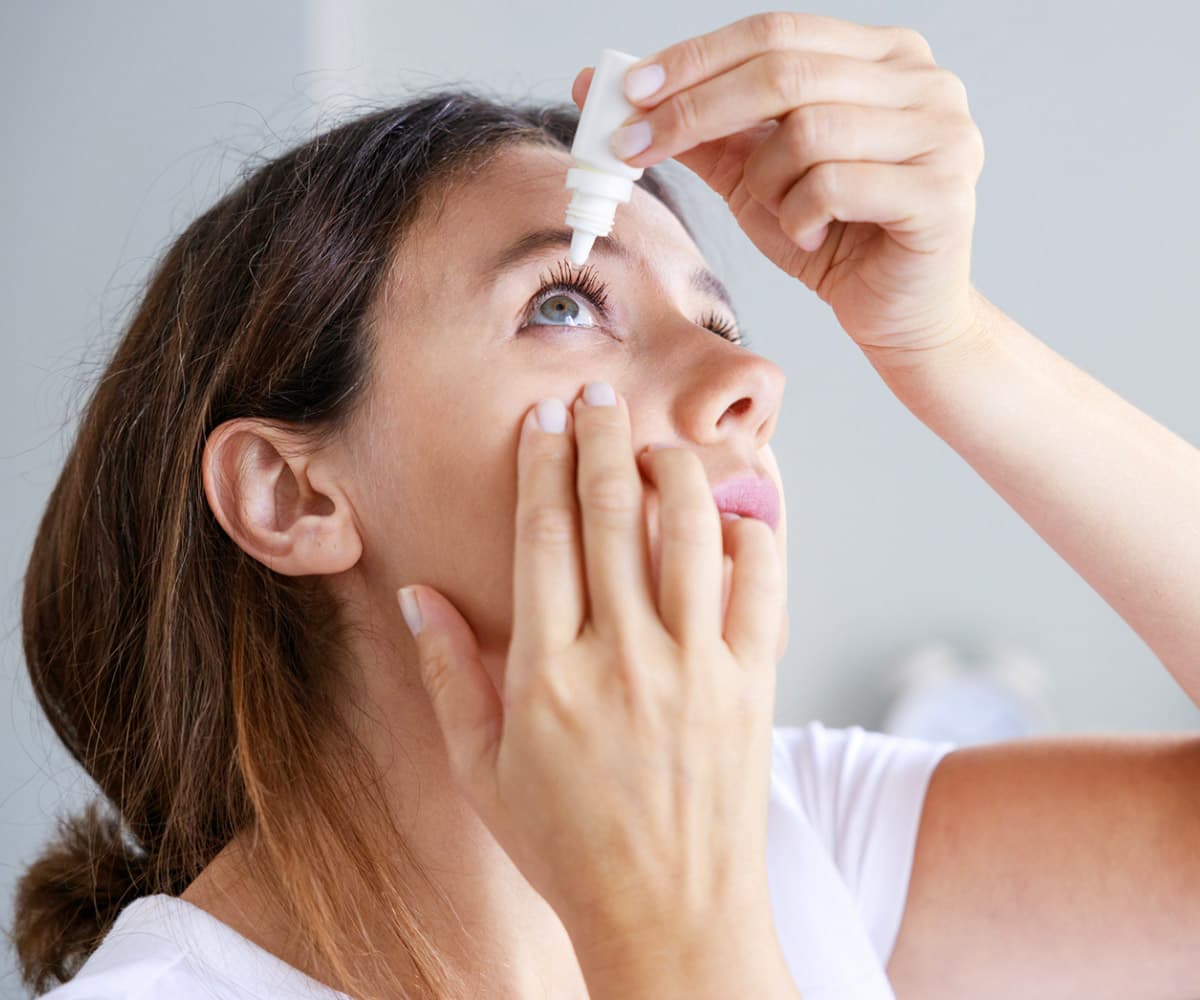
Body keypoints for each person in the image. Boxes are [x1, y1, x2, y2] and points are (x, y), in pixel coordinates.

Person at [12, 11, 1199, 1000]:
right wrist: (672, 929)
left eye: (722, 322)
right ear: (293, 490)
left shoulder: (788, 833)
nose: (753, 382)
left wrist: (951, 344)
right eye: (566, 303)